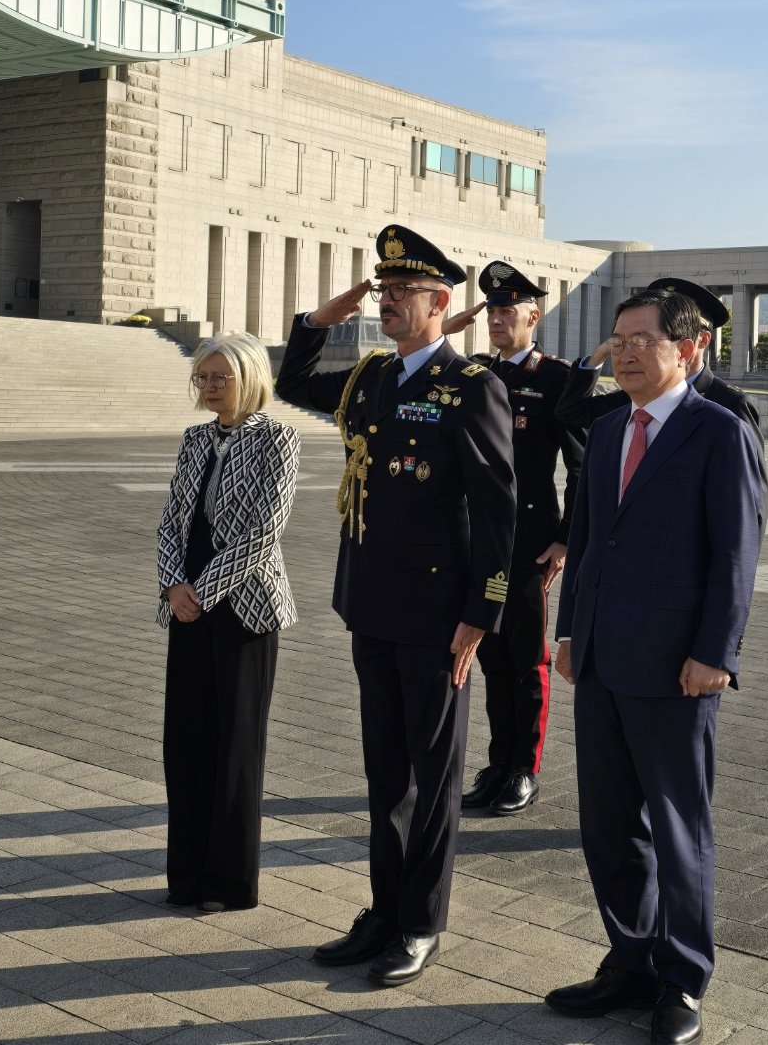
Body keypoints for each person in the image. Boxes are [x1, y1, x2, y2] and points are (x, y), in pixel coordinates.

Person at [275, 223, 516, 987]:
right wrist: (322, 319)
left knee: (434, 774)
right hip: (372, 605)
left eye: (401, 292)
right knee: (386, 773)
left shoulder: (473, 386)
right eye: (382, 291)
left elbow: (499, 510)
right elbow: (290, 384)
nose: (386, 302)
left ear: (441, 302)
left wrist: (483, 612)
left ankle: (420, 922)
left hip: (440, 616)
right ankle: (382, 910)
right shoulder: (373, 378)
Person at [547, 289, 762, 1045]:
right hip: (602, 659)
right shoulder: (608, 430)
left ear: (689, 350)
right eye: (619, 339)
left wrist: (716, 654)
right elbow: (588, 539)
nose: (626, 352)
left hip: (678, 669)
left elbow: (736, 555)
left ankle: (682, 979)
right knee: (607, 825)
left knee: (677, 829)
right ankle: (629, 960)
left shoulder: (718, 432)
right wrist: (570, 633)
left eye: (642, 339)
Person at [157, 332, 300, 913]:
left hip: (244, 608)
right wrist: (173, 587)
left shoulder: (279, 439)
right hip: (186, 606)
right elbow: (171, 521)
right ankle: (185, 875)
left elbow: (264, 532)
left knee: (236, 746)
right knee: (186, 740)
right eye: (203, 378)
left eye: (221, 377)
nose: (211, 388)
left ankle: (227, 883)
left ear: (250, 377)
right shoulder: (194, 440)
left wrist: (204, 592)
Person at [443, 262, 586, 815]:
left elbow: (582, 468)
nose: (499, 319)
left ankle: (523, 767)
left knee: (525, 659)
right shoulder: (473, 371)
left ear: (534, 315)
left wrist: (565, 539)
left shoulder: (555, 380)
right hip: (476, 541)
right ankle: (497, 762)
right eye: (492, 311)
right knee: (489, 655)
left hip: (529, 542)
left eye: (510, 310)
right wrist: (450, 329)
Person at [555, 277, 767, 518]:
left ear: (699, 340)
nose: (629, 353)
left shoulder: (728, 405)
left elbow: (749, 506)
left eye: (644, 340)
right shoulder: (635, 395)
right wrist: (600, 356)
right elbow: (571, 412)